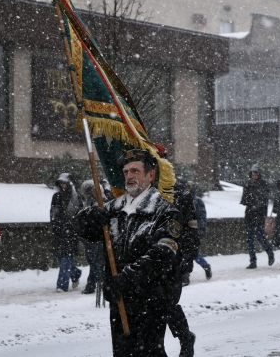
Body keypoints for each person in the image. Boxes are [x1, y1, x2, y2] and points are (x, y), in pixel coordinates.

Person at [76, 149, 185, 356]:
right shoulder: (114, 209)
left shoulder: (165, 212)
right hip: (120, 302)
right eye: (126, 172)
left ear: (150, 175)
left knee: (149, 352)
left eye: (135, 170)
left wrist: (125, 279)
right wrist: (89, 217)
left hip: (150, 302)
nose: (129, 176)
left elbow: (162, 255)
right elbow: (84, 230)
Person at [169, 177, 199, 356]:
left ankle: (184, 337)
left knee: (168, 303)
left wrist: (188, 256)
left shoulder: (181, 194)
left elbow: (191, 228)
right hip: (153, 258)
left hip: (175, 257)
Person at [50, 173, 82, 292]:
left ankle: (61, 285)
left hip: (71, 233)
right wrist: (55, 226)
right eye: (60, 183)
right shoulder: (56, 197)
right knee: (62, 259)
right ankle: (75, 273)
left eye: (64, 183)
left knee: (66, 259)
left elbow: (80, 215)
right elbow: (53, 213)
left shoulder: (76, 197)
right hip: (59, 233)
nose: (62, 185)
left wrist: (74, 227)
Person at [240, 164, 274, 269]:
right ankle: (253, 261)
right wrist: (250, 199)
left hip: (259, 215)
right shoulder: (248, 184)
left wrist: (256, 202)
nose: (254, 176)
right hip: (250, 215)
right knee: (249, 240)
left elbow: (264, 200)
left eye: (256, 174)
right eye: (252, 174)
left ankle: (270, 252)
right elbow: (244, 200)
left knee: (260, 237)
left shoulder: (263, 184)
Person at [79, 180, 105, 295]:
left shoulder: (102, 202)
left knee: (97, 263)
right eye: (91, 189)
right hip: (89, 238)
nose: (92, 191)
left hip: (98, 238)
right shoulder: (88, 203)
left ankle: (94, 284)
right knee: (93, 262)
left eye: (95, 189)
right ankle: (96, 283)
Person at [191, 182, 212, 280]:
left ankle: (205, 265)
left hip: (194, 230)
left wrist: (201, 229)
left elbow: (202, 216)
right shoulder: (183, 200)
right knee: (189, 251)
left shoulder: (197, 201)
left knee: (192, 251)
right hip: (187, 230)